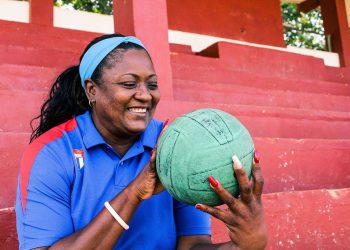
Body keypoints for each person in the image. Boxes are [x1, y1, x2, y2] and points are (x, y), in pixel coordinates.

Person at [15, 33, 267, 249]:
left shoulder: (175, 146)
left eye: (152, 84)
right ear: (92, 90)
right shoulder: (51, 153)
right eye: (129, 84)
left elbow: (192, 244)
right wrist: (133, 194)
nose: (145, 95)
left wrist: (244, 244)